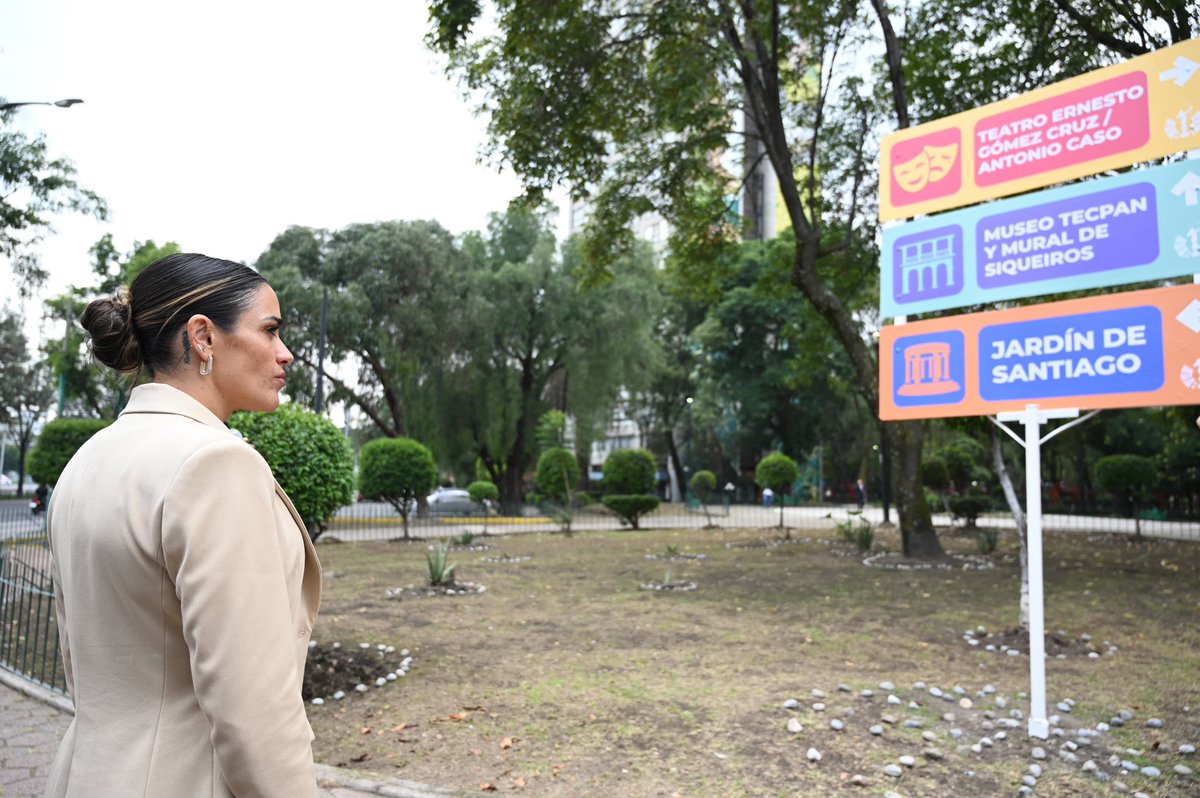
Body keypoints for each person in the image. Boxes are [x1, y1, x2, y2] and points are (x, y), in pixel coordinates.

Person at [44, 254, 322, 798]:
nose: (285, 353)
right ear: (203, 338)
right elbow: (252, 709)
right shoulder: (216, 465)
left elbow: (80, 661)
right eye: (269, 330)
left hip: (87, 773)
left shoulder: (86, 461)